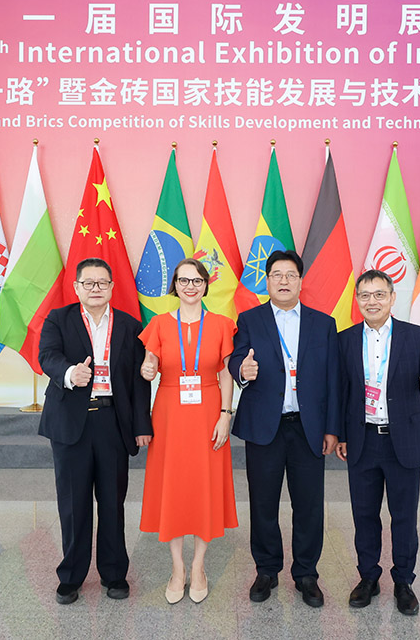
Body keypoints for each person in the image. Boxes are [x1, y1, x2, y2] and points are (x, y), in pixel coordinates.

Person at [227, 249, 341, 608]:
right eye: (276, 274)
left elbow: (333, 379)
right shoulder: (250, 319)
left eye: (291, 274)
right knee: (263, 503)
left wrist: (332, 428)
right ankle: (266, 570)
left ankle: (306, 573)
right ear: (267, 281)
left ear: (300, 281)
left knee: (309, 505)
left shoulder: (323, 324)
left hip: (308, 427)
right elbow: (236, 357)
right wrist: (241, 371)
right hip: (265, 426)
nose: (284, 281)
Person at [37, 258, 151, 605]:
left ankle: (114, 573)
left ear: (112, 287)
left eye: (102, 282)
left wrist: (141, 425)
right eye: (89, 283)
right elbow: (47, 356)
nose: (96, 288)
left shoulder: (130, 326)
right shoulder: (58, 319)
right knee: (73, 504)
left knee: (113, 502)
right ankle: (71, 576)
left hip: (112, 422)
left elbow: (138, 380)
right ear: (77, 287)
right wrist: (70, 374)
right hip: (71, 422)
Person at [335, 269, 420, 615]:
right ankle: (368, 577)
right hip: (362, 440)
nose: (372, 302)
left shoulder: (415, 336)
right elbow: (341, 391)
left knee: (404, 516)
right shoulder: (345, 339)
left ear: (392, 298)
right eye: (365, 295)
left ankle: (403, 582)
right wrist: (341, 435)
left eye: (379, 294)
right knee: (364, 515)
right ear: (357, 300)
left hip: (403, 441)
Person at [139, 258, 237, 604]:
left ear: (206, 285)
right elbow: (150, 365)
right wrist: (148, 368)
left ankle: (198, 567)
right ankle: (177, 567)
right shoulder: (159, 324)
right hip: (170, 413)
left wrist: (225, 415)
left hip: (209, 410)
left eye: (197, 280)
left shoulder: (222, 325)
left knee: (204, 484)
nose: (190, 286)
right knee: (174, 486)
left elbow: (226, 374)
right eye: (183, 280)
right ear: (175, 286)